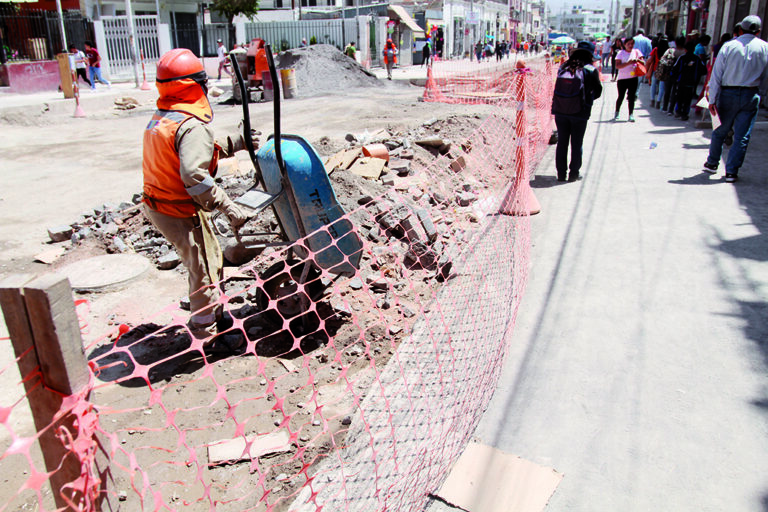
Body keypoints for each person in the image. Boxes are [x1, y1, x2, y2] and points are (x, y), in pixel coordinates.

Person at [142, 48, 254, 350]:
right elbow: (194, 174)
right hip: (176, 208)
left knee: (211, 256)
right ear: (195, 85)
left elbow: (188, 151)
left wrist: (236, 143)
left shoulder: (166, 115)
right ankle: (208, 337)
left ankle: (217, 314)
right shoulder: (191, 125)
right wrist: (228, 206)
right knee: (202, 269)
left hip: (162, 203)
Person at [704, 15, 768, 183]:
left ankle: (712, 163)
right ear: (759, 31)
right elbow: (766, 77)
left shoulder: (729, 46)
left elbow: (717, 75)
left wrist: (712, 98)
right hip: (751, 94)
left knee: (720, 131)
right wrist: (761, 94)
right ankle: (731, 171)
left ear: (740, 30)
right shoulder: (765, 47)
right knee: (742, 135)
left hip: (727, 94)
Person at [551, 41, 603, 182]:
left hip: (560, 110)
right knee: (576, 143)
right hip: (580, 112)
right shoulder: (590, 70)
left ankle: (561, 174)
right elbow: (598, 92)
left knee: (562, 142)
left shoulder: (564, 67)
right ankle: (574, 174)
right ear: (590, 55)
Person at [669, 41, 707, 120]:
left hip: (681, 82)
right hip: (691, 83)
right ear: (693, 49)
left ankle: (678, 111)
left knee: (680, 97)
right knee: (688, 99)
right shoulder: (697, 59)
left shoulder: (682, 58)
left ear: (685, 49)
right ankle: (685, 114)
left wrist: (673, 77)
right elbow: (704, 70)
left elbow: (675, 69)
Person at [613, 37, 644, 122]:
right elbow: (617, 66)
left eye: (632, 44)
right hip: (622, 79)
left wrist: (637, 60)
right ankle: (617, 112)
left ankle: (631, 114)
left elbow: (643, 62)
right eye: (628, 44)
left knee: (631, 97)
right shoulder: (620, 53)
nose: (630, 45)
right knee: (621, 96)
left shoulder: (636, 52)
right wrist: (628, 63)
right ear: (624, 44)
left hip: (633, 78)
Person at [646, 36, 669, 107]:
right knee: (661, 87)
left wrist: (647, 67)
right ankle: (658, 102)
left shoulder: (656, 49)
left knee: (653, 85)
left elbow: (650, 60)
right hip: (664, 71)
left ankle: (652, 100)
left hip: (655, 70)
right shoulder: (668, 51)